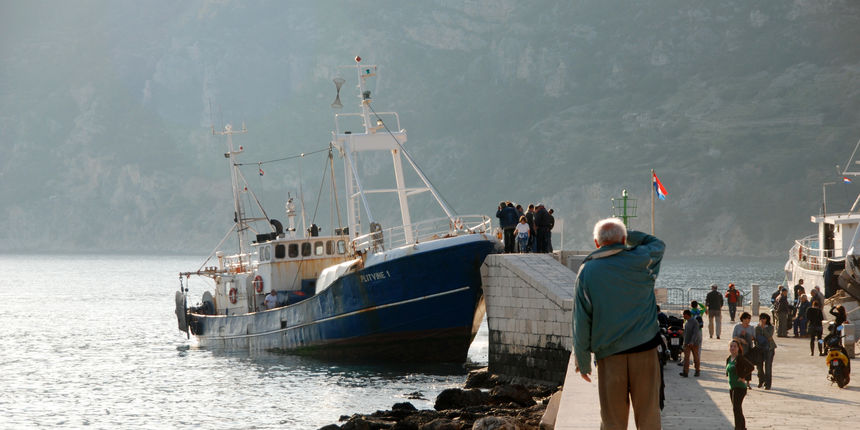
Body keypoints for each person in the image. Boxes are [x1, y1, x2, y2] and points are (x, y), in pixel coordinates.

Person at [572, 218, 665, 429]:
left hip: (610, 356)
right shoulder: (642, 259)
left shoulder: (587, 271)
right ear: (624, 240)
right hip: (645, 350)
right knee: (649, 416)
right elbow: (657, 243)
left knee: (612, 420)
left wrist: (583, 361)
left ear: (596, 243)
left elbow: (581, 320)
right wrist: (626, 234)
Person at [726, 340, 753, 430]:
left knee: (736, 409)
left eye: (735, 346)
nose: (732, 348)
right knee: (737, 409)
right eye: (731, 346)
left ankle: (738, 428)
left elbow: (751, 367)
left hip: (740, 387)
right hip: (732, 387)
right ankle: (742, 428)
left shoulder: (740, 358)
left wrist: (742, 376)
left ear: (738, 348)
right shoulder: (729, 358)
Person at [754, 313, 776, 389]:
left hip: (769, 348)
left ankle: (768, 384)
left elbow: (769, 337)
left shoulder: (770, 327)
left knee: (768, 366)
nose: (762, 320)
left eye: (764, 318)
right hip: (760, 349)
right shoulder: (757, 328)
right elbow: (756, 337)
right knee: (759, 366)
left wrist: (763, 329)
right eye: (761, 318)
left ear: (767, 319)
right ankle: (761, 380)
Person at [680, 309, 702, 377]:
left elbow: (695, 333)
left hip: (694, 343)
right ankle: (685, 372)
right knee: (686, 358)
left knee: (696, 358)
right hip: (687, 343)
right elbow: (686, 333)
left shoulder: (694, 322)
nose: (683, 316)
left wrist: (692, 341)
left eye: (684, 315)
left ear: (687, 315)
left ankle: (697, 371)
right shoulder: (687, 322)